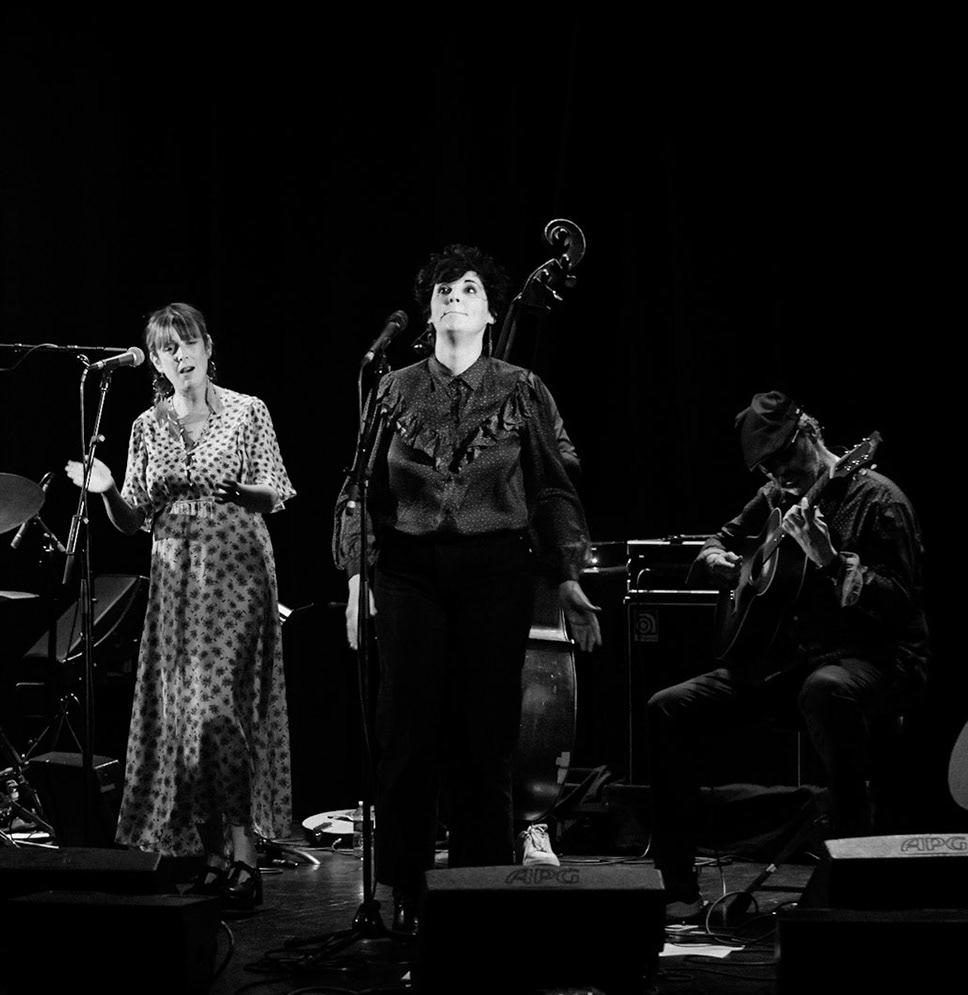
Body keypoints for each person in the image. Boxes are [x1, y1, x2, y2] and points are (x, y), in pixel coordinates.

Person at [335, 245, 602, 931]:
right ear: (428, 309)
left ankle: (481, 894)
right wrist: (356, 576)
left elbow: (551, 486)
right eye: (445, 288)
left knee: (484, 739)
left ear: (491, 311)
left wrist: (568, 576)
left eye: (471, 288)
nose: (456, 296)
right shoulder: (391, 387)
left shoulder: (522, 389)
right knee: (406, 734)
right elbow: (359, 489)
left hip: (493, 572)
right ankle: (406, 896)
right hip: (407, 573)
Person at [647, 391, 926, 917]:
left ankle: (853, 879)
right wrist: (722, 562)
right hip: (794, 661)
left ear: (808, 433)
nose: (776, 472)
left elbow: (901, 604)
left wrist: (831, 561)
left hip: (878, 659)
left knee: (826, 690)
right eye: (765, 466)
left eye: (781, 457)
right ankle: (676, 888)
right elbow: (717, 542)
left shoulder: (878, 499)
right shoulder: (776, 494)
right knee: (669, 706)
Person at [64, 302, 293, 913]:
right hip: (175, 581)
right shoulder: (146, 425)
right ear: (157, 361)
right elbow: (133, 518)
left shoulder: (247, 411)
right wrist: (108, 489)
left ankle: (245, 852)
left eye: (187, 341)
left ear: (207, 345)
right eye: (166, 348)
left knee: (223, 711)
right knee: (188, 721)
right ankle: (214, 855)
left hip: (237, 572)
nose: (178, 354)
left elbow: (275, 490)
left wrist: (240, 491)